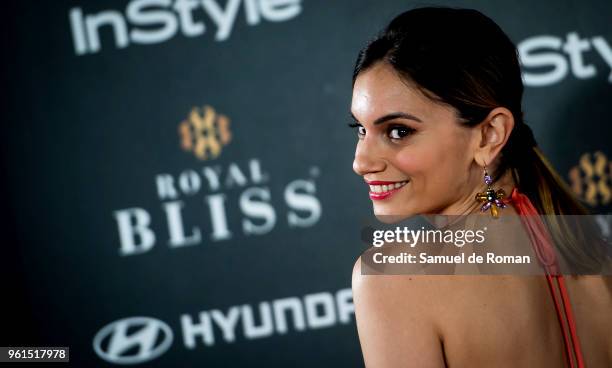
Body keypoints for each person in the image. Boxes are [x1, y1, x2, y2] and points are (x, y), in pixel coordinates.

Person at [349, 7, 612, 368]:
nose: (361, 162)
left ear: (490, 134)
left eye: (398, 131)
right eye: (360, 130)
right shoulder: (596, 256)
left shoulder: (393, 277)